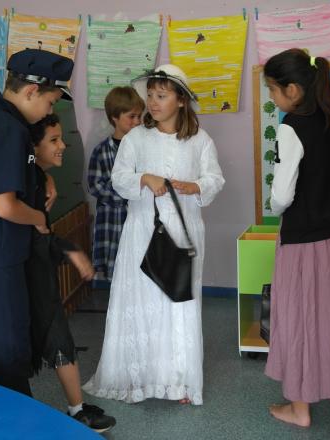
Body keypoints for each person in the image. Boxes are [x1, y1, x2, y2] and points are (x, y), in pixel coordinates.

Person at [83, 64, 225, 405]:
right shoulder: (135, 138)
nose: (153, 102)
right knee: (144, 300)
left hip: (183, 232)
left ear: (180, 100)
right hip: (142, 231)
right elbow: (119, 178)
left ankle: (180, 382)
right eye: (150, 95)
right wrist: (145, 178)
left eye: (161, 96)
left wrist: (196, 186)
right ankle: (139, 375)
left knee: (177, 302)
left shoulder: (199, 140)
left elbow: (215, 179)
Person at [0, 49, 73, 396]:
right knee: (4, 346)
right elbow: (5, 205)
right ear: (32, 92)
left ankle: (2, 413)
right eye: (50, 102)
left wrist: (41, 177)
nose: (50, 111)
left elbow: (17, 167)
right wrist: (39, 218)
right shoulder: (10, 129)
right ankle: (13, 422)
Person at [261, 49, 330, 427]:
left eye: (272, 90)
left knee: (302, 319)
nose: (272, 98)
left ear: (292, 89)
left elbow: (282, 197)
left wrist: (275, 206)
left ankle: (300, 408)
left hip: (308, 240)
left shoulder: (291, 126)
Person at [27, 114, 116, 433]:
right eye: (53, 140)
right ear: (33, 146)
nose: (63, 145)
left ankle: (77, 409)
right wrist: (72, 251)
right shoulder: (28, 181)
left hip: (39, 275)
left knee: (59, 337)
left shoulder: (37, 178)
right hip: (24, 278)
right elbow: (36, 237)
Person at [87, 86, 144, 281]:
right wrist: (125, 196)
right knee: (118, 272)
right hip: (113, 221)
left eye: (139, 116)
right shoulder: (101, 151)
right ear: (114, 118)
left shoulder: (145, 149)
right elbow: (95, 185)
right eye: (132, 116)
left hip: (140, 219)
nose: (137, 122)